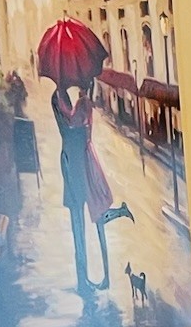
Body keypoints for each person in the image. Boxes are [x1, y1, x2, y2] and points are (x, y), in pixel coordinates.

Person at [51, 80, 131, 296]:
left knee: (94, 216)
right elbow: (70, 127)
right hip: (76, 163)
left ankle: (97, 278)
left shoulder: (81, 103)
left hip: (81, 163)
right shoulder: (64, 100)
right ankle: (91, 278)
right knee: (92, 217)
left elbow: (73, 126)